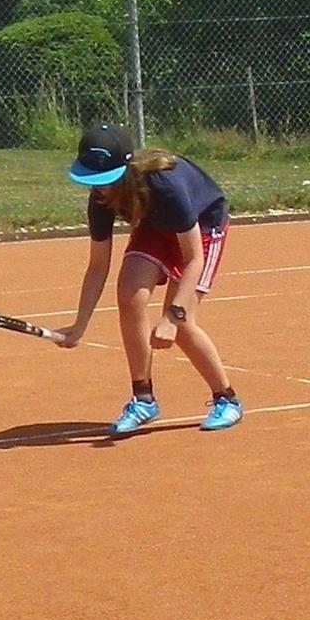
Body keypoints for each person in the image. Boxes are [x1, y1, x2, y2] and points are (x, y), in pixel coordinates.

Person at [57, 120, 243, 439]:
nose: (100, 189)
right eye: (93, 181)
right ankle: (143, 399)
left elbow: (194, 259)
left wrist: (172, 317)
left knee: (183, 326)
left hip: (202, 226)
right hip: (154, 226)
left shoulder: (165, 186)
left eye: (106, 180)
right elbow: (98, 266)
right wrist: (80, 324)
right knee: (129, 295)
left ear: (126, 169)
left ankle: (227, 398)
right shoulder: (100, 200)